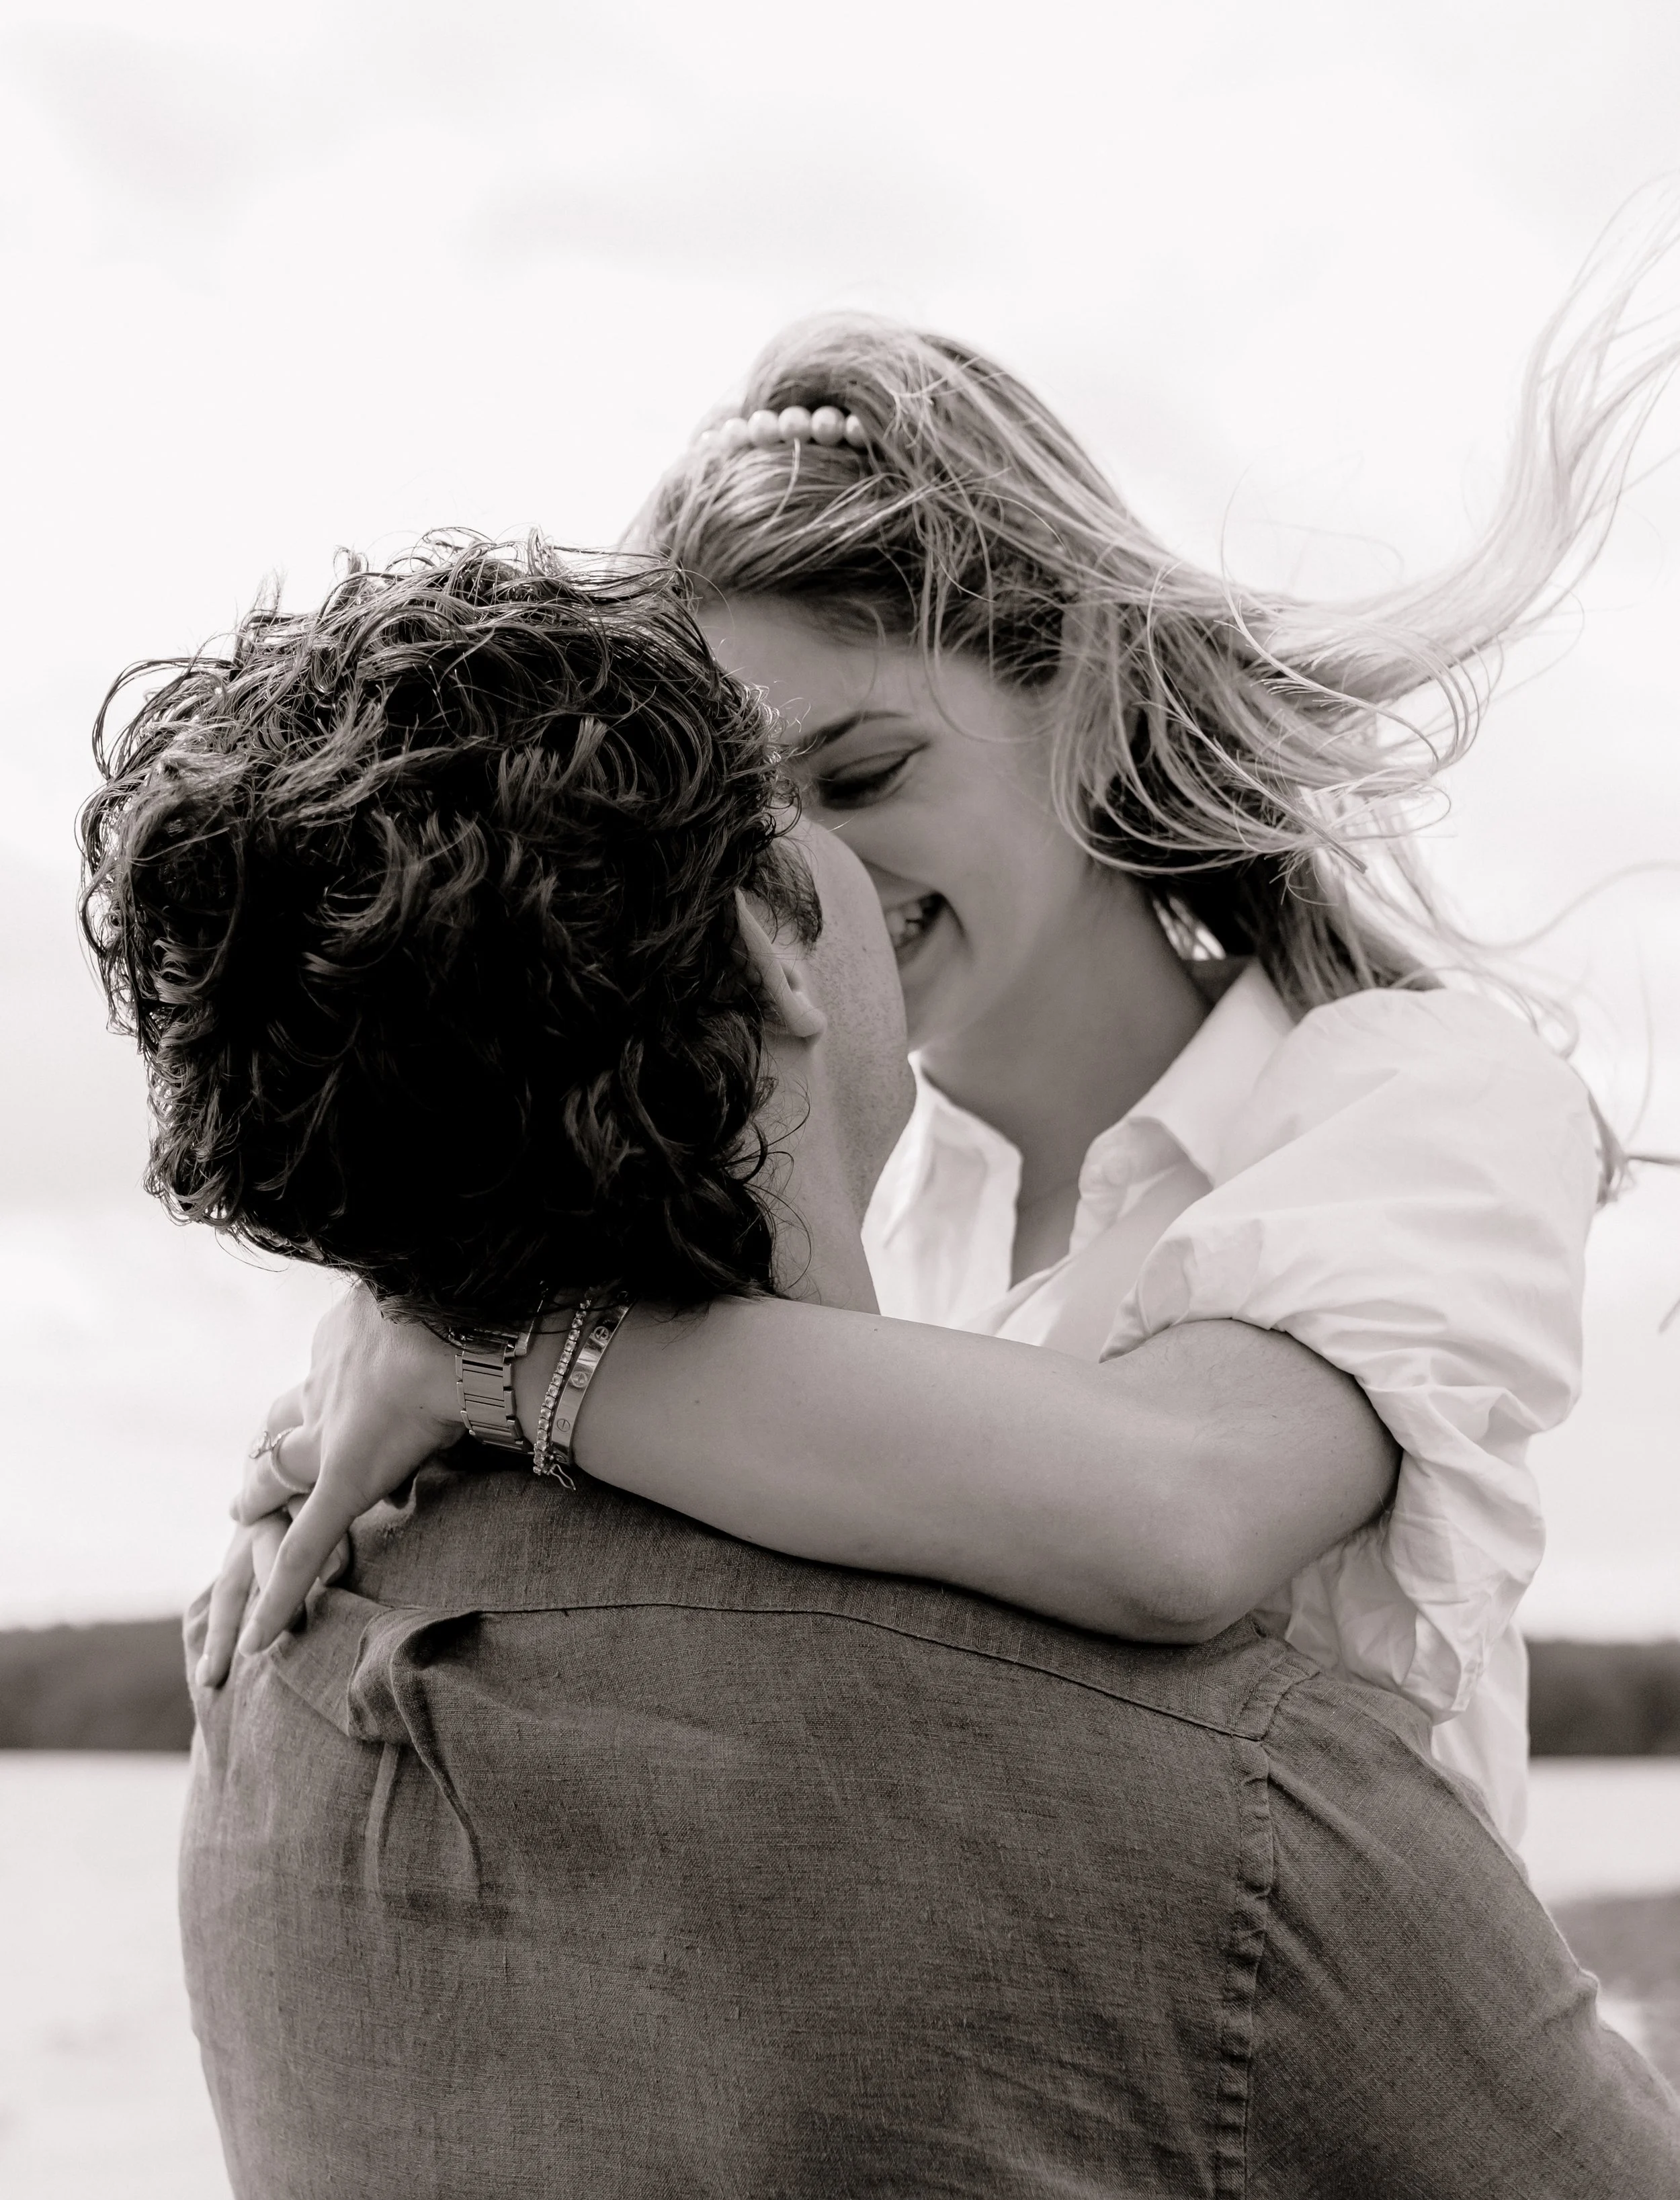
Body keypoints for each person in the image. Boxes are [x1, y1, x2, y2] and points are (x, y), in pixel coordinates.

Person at [83, 540, 1680, 2200]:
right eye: (797, 808)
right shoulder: (1232, 1811)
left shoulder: (266, 1686)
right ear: (768, 936)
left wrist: (488, 1342)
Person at [223, 258, 1678, 1843]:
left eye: (862, 774)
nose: (798, 890)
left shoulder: (1412, 1097)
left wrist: (492, 1356)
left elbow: (1180, 1513)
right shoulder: (833, 1216)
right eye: (734, 831)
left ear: (1093, 696)